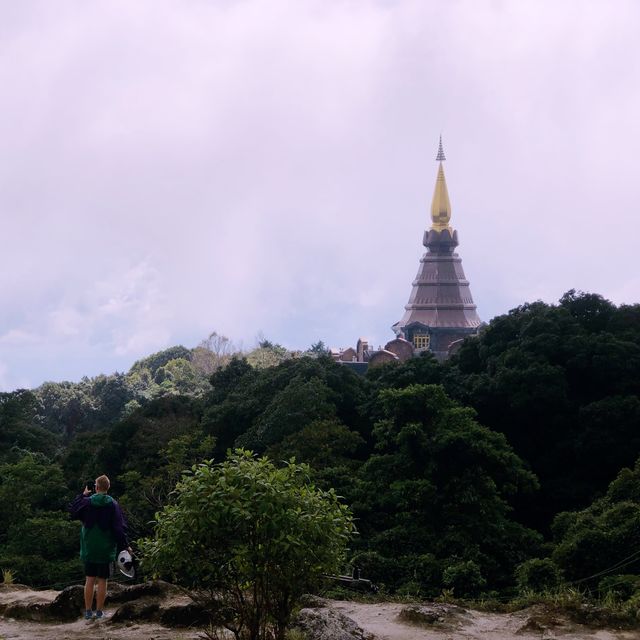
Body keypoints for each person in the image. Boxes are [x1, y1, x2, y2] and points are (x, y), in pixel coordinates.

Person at [69, 474, 131, 620]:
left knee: (89, 579)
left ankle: (88, 612)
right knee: (102, 580)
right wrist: (125, 545)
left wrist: (82, 495)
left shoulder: (87, 502)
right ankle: (99, 612)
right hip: (106, 548)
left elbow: (73, 510)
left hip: (89, 547)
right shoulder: (113, 504)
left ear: (96, 488)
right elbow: (118, 528)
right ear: (108, 488)